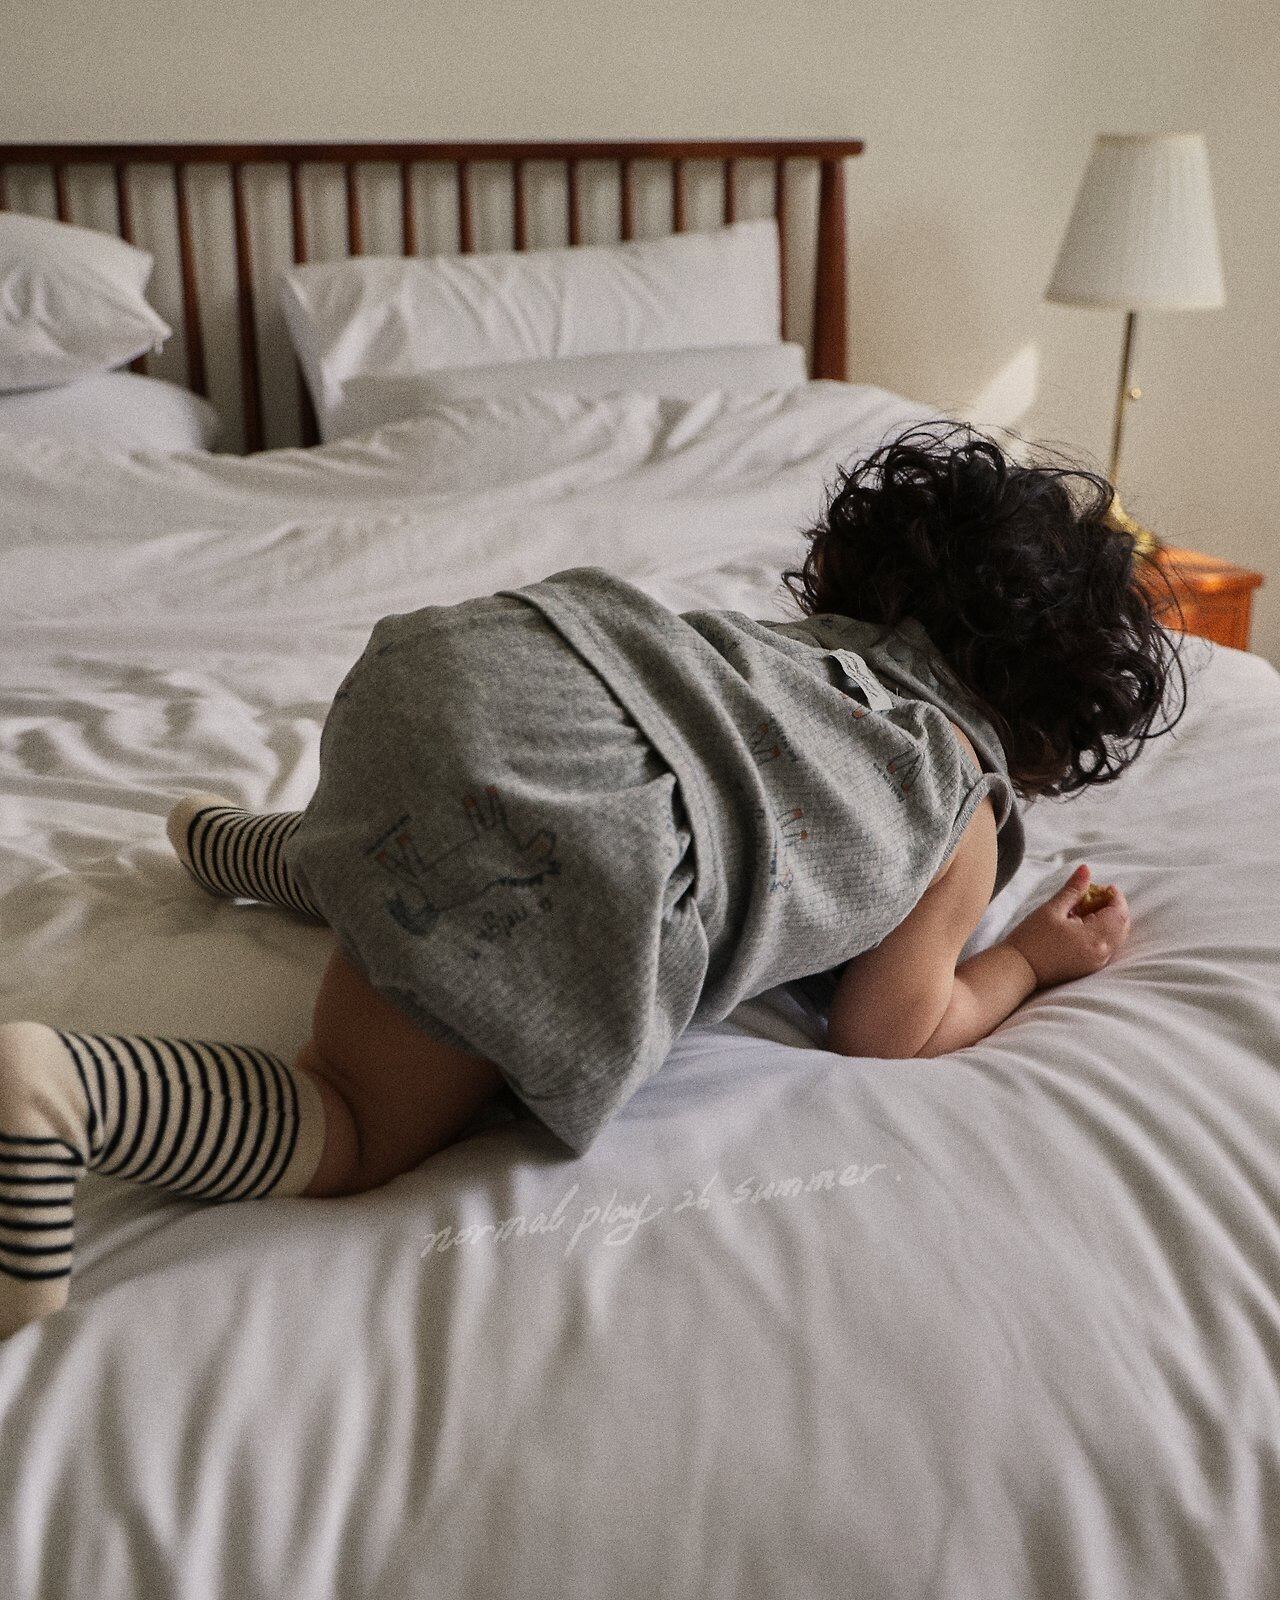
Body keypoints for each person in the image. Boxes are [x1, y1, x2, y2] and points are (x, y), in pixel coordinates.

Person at [0, 420, 1190, 1337]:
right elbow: (891, 1026)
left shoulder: (785, 652)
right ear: (1046, 728)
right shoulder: (959, 805)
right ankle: (69, 1094)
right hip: (555, 852)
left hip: (479, 664)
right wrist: (1026, 957)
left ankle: (244, 846)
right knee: (356, 1115)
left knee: (423, 840)